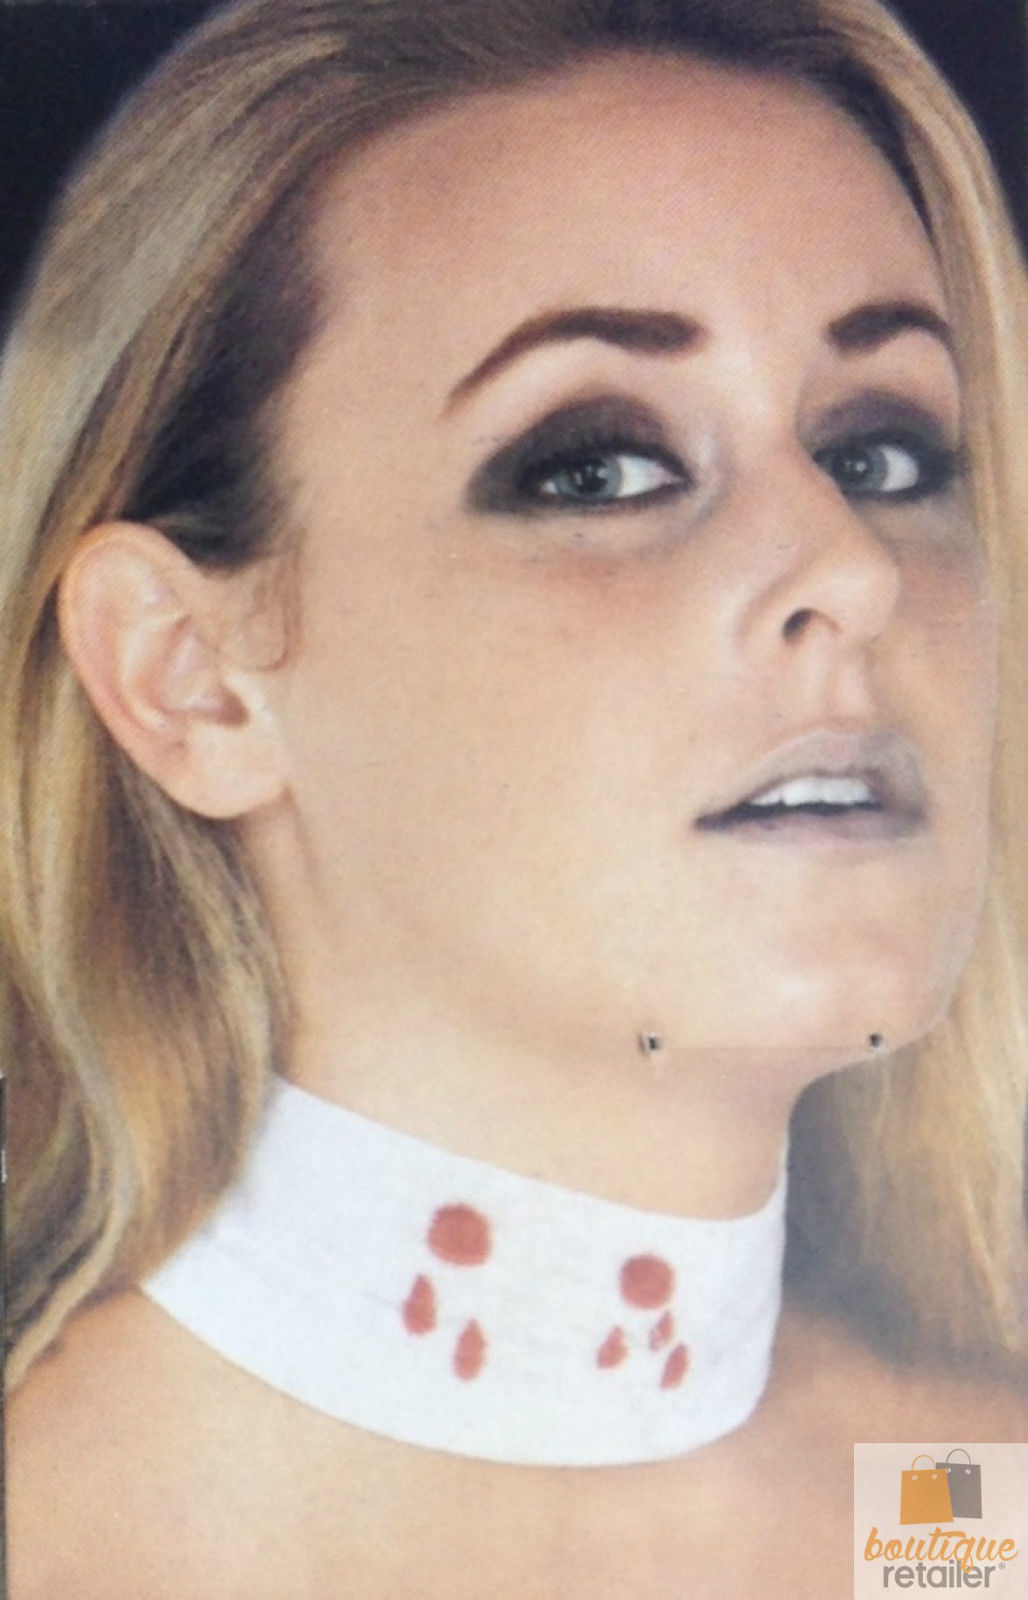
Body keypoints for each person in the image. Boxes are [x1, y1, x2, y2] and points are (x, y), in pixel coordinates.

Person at [2, 0, 1026, 1593]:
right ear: (189, 678)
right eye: (597, 466)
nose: (852, 569)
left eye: (884, 451)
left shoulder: (962, 1521)